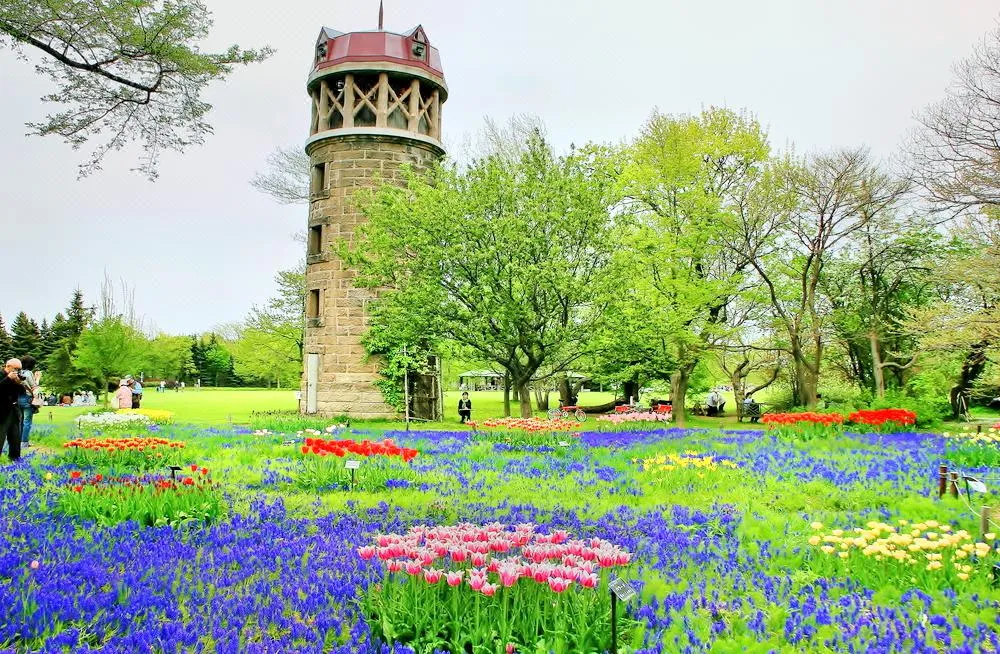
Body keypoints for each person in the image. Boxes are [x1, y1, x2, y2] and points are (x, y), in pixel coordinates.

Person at [1, 359, 24, 461]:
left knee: (15, 437)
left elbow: (22, 393)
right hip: (1, 411)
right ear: (8, 366)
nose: (17, 371)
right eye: (16, 369)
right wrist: (8, 379)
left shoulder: (15, 377)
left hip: (14, 410)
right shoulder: (2, 375)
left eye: (19, 369)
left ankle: (15, 459)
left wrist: (18, 383)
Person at [16, 355, 39, 447]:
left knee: (20, 421)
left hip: (18, 398)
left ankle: (19, 441)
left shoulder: (18, 373)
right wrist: (37, 378)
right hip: (27, 398)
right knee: (27, 421)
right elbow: (34, 388)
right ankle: (24, 442)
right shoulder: (28, 373)